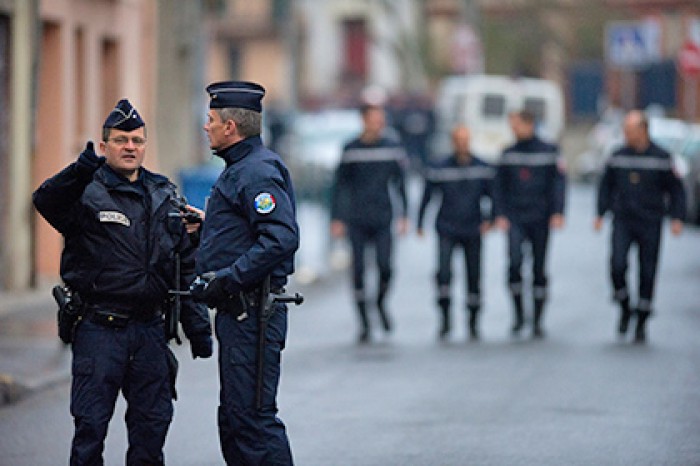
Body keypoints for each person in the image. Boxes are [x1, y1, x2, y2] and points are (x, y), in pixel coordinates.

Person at [32, 99, 213, 465]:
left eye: (137, 140)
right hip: (100, 331)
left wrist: (199, 330)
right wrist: (78, 171)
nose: (130, 147)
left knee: (151, 431)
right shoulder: (85, 191)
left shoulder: (164, 194)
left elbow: (183, 265)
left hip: (149, 332)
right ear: (104, 147)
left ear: (145, 145)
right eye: (120, 140)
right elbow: (45, 201)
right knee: (90, 430)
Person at [191, 81, 299, 465]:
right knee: (236, 421)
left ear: (230, 128)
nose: (206, 127)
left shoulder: (254, 172)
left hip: (253, 312)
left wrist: (228, 278)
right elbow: (249, 232)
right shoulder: (243, 168)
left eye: (211, 120)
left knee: (253, 423)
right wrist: (208, 230)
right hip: (241, 313)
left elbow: (281, 238)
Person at [594, 109, 685, 343]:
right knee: (617, 264)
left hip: (650, 221)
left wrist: (677, 217)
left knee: (647, 270)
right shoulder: (617, 155)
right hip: (623, 219)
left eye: (630, 130)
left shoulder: (662, 157)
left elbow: (676, 190)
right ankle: (624, 304)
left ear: (643, 130)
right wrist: (600, 213)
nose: (626, 135)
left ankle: (642, 318)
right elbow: (605, 185)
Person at [330, 103, 409, 343]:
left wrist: (404, 215)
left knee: (386, 267)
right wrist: (337, 218)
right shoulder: (351, 149)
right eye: (374, 119)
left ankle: (380, 303)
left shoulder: (392, 147)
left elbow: (401, 183)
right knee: (358, 272)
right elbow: (339, 186)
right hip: (357, 219)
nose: (379, 123)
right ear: (364, 120)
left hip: (383, 217)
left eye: (381, 119)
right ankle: (364, 321)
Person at [417, 125, 494, 340]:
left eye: (465, 140)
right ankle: (445, 319)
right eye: (458, 140)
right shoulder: (440, 167)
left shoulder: (482, 167)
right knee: (443, 274)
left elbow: (494, 195)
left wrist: (491, 219)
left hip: (472, 227)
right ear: (452, 142)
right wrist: (420, 222)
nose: (462, 144)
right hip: (446, 227)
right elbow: (428, 195)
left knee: (474, 276)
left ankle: (473, 321)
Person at [494, 109, 566, 338]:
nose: (512, 129)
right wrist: (499, 214)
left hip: (540, 217)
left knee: (539, 267)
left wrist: (558, 212)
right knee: (514, 262)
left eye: (515, 124)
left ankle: (537, 319)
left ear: (529, 124)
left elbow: (558, 184)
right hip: (515, 217)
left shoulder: (550, 151)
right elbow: (498, 187)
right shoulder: (508, 153)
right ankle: (518, 314)